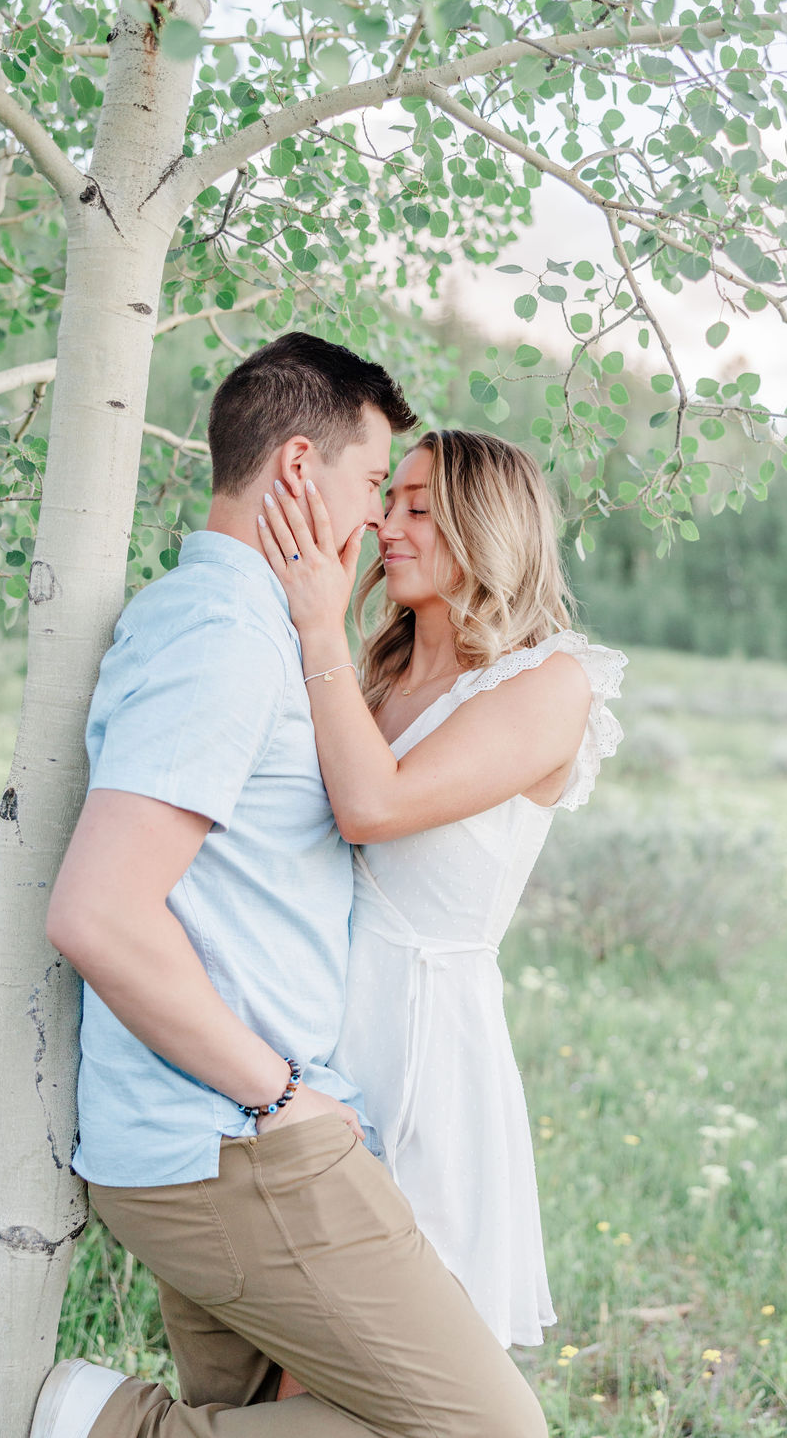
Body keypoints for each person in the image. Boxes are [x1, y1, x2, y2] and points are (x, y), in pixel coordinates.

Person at [36, 334, 548, 1438]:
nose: (375, 521)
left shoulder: (259, 631)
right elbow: (98, 911)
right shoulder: (225, 634)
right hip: (239, 1135)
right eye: (374, 484)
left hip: (253, 1126)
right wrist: (276, 1094)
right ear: (299, 467)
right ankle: (102, 1423)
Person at [257, 428, 626, 1352]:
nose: (388, 521)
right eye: (393, 498)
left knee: (408, 1355)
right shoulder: (374, 678)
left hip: (424, 1037)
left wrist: (318, 625)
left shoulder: (550, 683)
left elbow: (372, 806)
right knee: (308, 1346)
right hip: (311, 1027)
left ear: (486, 524)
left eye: (421, 506)